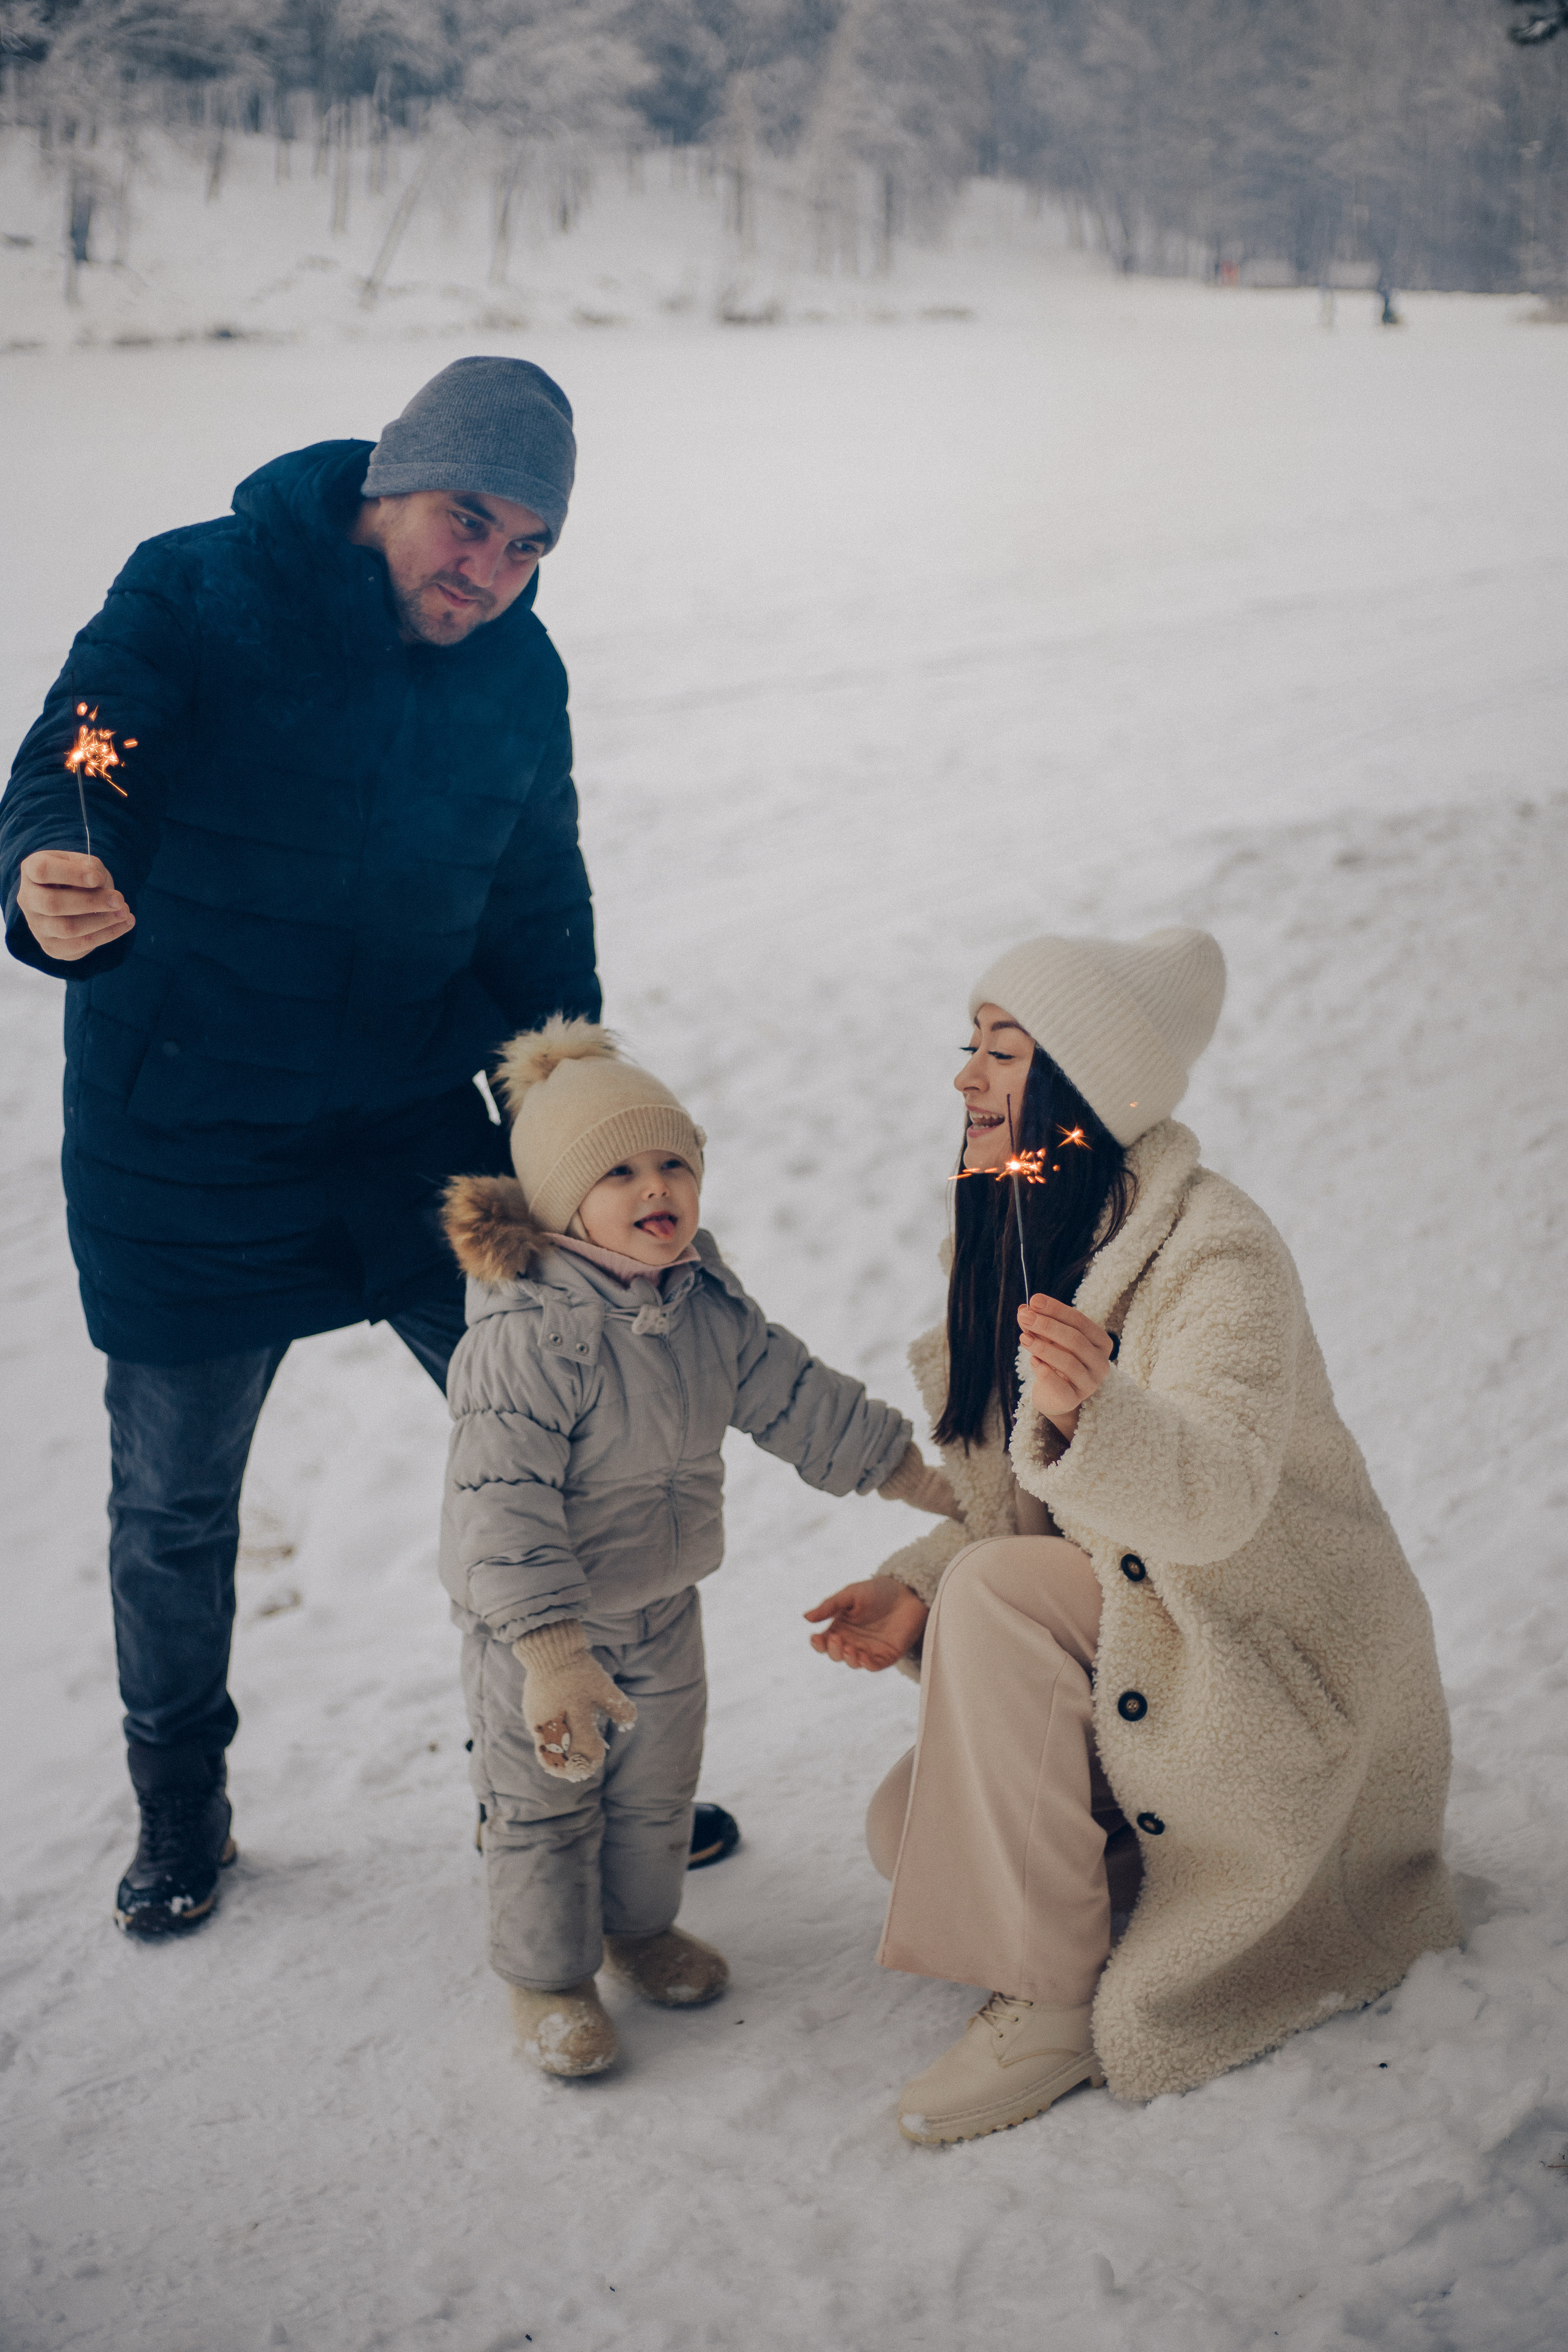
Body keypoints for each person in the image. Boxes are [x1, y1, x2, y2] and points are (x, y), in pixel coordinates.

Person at [0, 357, 633, 1937]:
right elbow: (87, 750)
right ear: (386, 491)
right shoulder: (202, 586)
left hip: (408, 1128)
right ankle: (180, 1815)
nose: (485, 570)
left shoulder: (517, 671)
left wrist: (572, 1107)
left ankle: (605, 1748)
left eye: (525, 546)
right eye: (464, 521)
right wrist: (60, 861)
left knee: (560, 1434)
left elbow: (533, 895)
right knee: (176, 1508)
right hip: (184, 1135)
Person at [806, 928, 1461, 2144]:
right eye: (969, 1046)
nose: (964, 1079)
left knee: (999, 1606)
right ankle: (1112, 1901)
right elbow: (1037, 1524)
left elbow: (1208, 1507)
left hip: (1263, 1654)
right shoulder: (1016, 1231)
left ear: (1082, 1087)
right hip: (1153, 1629)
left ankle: (1048, 2004)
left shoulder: (1215, 1247)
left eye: (1001, 1053)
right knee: (908, 1833)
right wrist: (917, 1582)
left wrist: (1096, 1415)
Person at [439, 1017, 927, 2076]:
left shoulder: (700, 1300)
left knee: (657, 1790)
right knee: (546, 1805)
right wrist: (550, 1653)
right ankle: (548, 1978)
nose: (655, 1187)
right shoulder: (526, 1336)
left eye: (673, 1163)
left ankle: (639, 1931)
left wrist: (916, 1476)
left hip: (663, 1607)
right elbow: (500, 1504)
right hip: (542, 1635)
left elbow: (797, 1395)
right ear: (563, 1204)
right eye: (618, 1171)